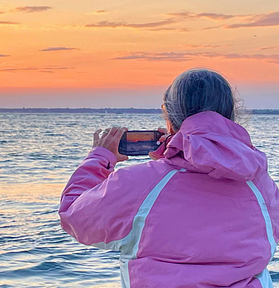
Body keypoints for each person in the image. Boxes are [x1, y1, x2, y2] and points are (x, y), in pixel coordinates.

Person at [59, 68, 279, 288]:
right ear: (231, 117)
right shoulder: (260, 184)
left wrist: (100, 157)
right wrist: (178, 154)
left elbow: (74, 215)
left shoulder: (141, 185)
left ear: (171, 123)